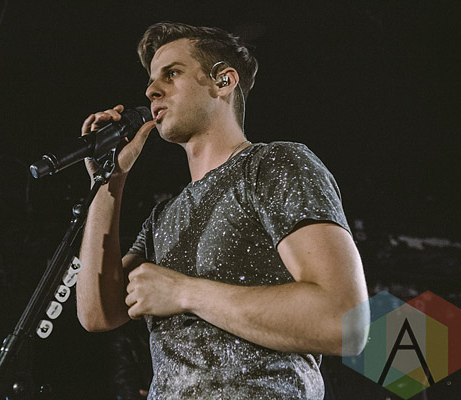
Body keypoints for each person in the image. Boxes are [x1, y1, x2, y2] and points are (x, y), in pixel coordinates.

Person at [76, 22, 369, 399]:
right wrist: (108, 181)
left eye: (172, 73)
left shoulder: (273, 164)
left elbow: (345, 323)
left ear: (223, 81)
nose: (151, 91)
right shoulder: (162, 217)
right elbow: (97, 314)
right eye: (151, 80)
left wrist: (185, 293)